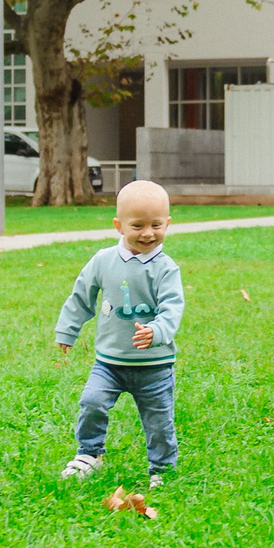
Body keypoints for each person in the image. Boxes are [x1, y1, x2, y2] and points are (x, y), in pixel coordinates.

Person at [53, 179, 183, 486]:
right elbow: (81, 295)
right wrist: (67, 330)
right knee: (91, 402)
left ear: (167, 224)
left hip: (154, 366)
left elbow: (172, 307)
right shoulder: (103, 261)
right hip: (109, 362)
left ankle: (162, 468)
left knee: (159, 420)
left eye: (156, 225)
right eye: (137, 226)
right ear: (118, 226)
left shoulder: (166, 268)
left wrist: (157, 330)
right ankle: (89, 454)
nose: (148, 233)